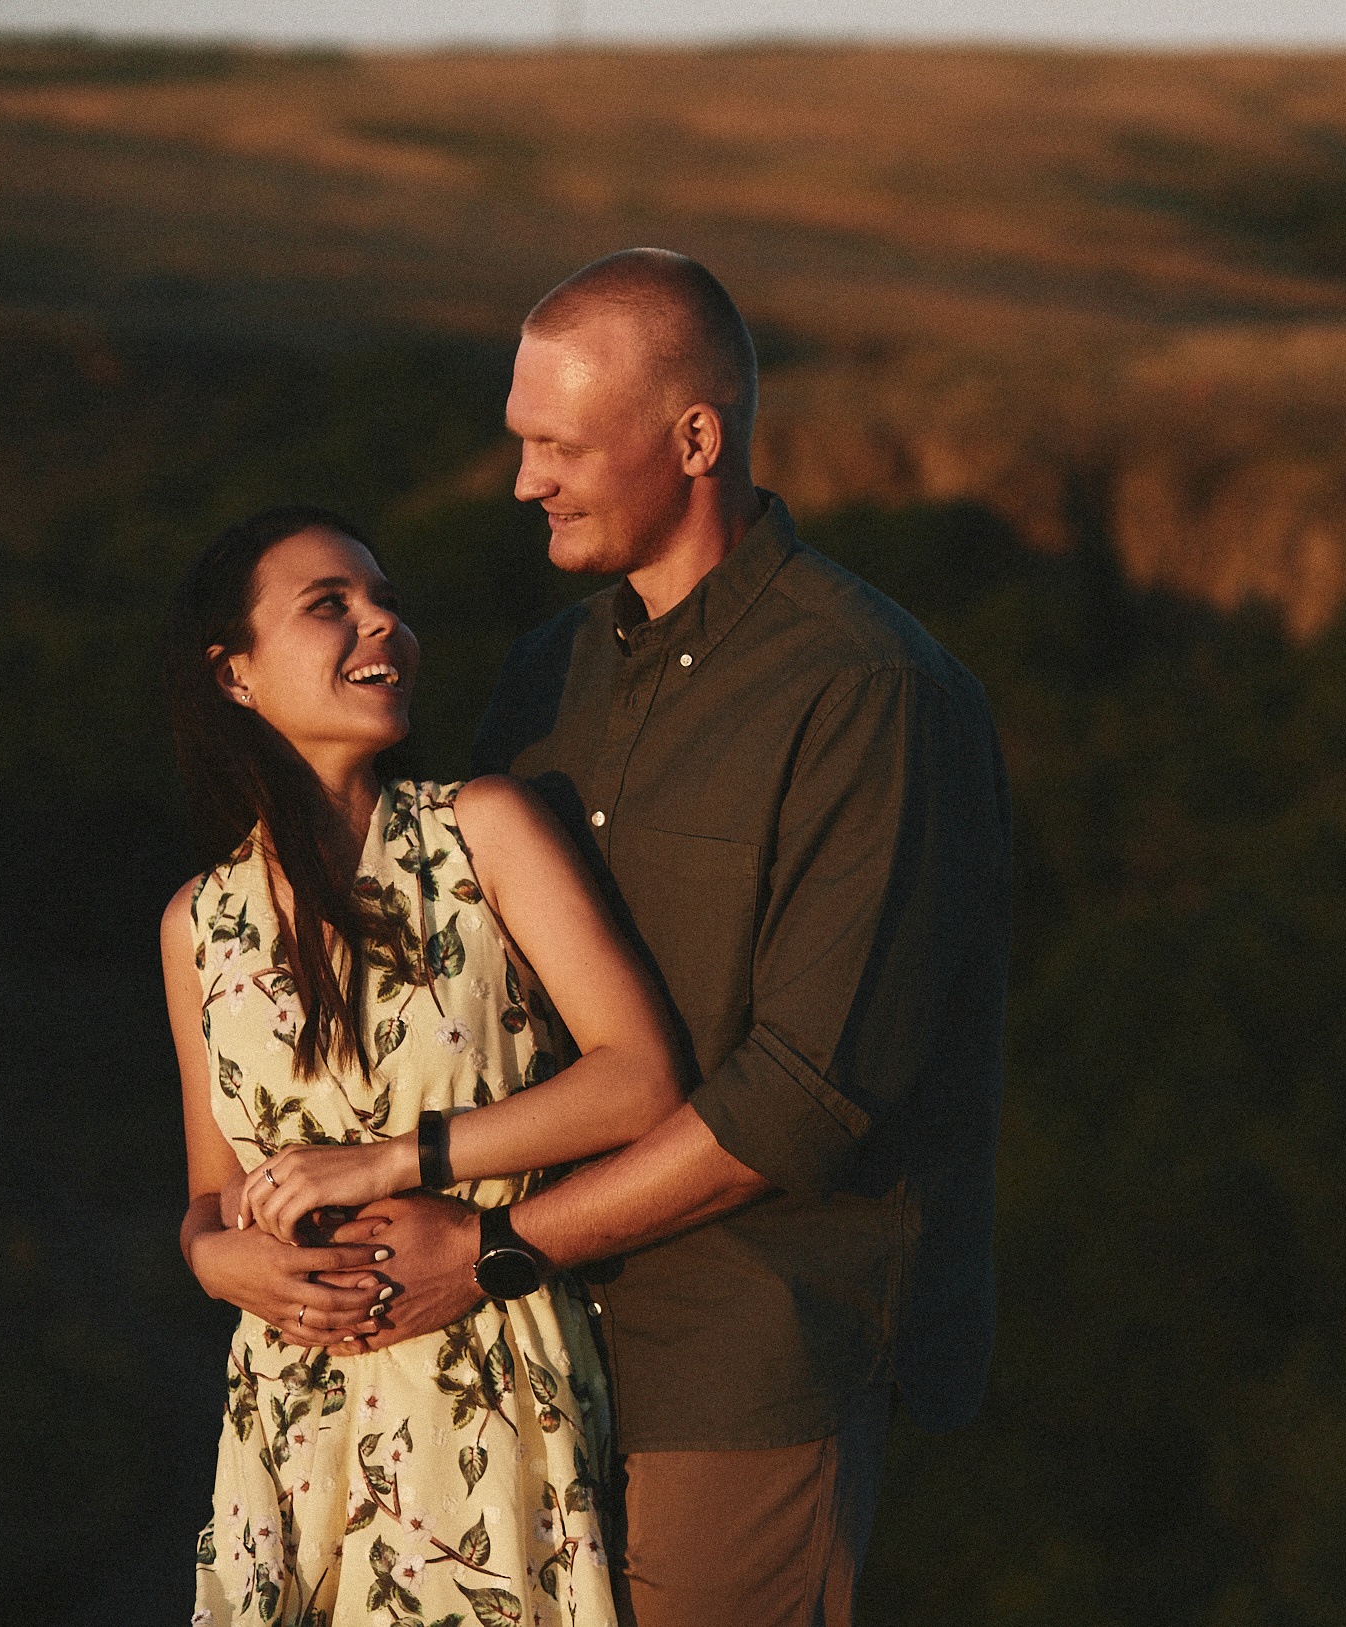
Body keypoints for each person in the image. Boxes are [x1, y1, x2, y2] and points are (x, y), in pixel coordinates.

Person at [327, 249, 1012, 1626]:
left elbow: (800, 1099)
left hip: (747, 1364)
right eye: (520, 442)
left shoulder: (870, 692)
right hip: (524, 1358)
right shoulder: (547, 672)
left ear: (697, 438)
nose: (524, 481)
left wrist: (496, 1243)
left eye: (558, 444)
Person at [162, 504, 689, 1626]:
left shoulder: (482, 830)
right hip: (293, 1406)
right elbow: (208, 1195)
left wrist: (389, 1161)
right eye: (331, 606)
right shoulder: (198, 923)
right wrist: (219, 1265)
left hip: (483, 1378)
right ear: (235, 675)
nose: (383, 625)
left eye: (388, 601)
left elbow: (639, 1078)